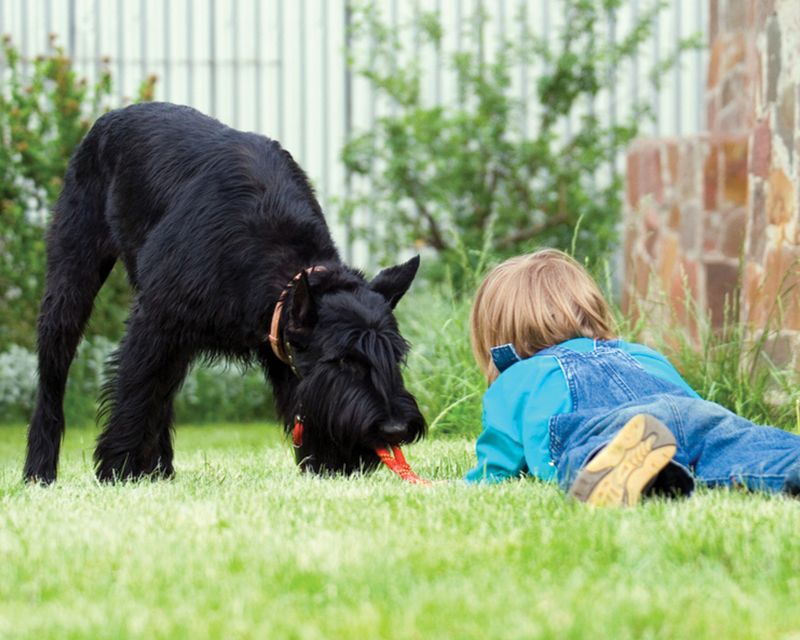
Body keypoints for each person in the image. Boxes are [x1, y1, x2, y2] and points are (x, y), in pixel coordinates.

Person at [465, 248, 800, 505]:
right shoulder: (639, 352)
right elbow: (686, 399)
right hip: (692, 414)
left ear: (495, 338)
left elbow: (497, 466)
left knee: (590, 448)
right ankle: (787, 461)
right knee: (742, 446)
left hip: (617, 427)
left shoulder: (516, 379)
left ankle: (639, 468)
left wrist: (475, 482)